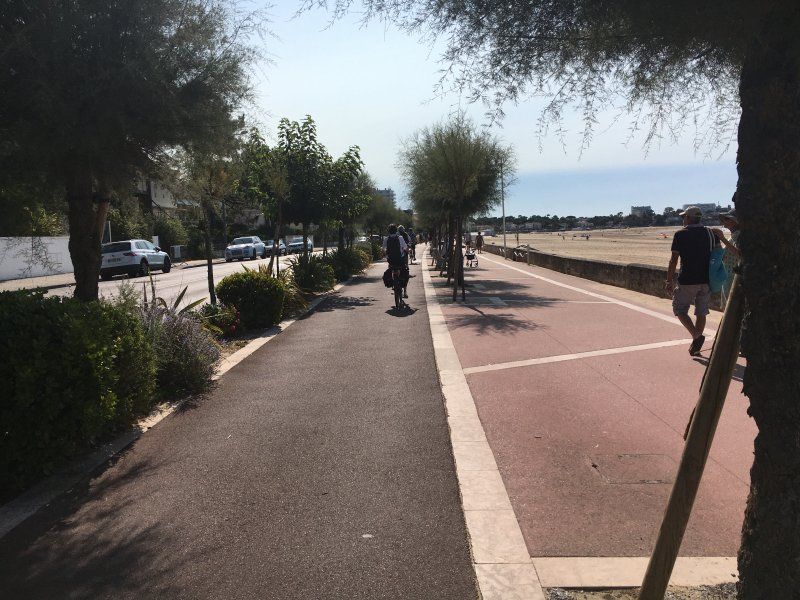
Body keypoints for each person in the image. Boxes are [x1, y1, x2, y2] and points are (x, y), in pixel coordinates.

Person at [665, 206, 716, 356]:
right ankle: (696, 347)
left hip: (687, 279)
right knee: (701, 312)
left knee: (679, 309)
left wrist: (669, 280)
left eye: (684, 217)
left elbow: (673, 260)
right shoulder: (709, 233)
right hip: (706, 279)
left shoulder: (680, 234)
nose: (683, 219)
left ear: (688, 218)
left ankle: (697, 336)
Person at [713, 209, 741, 306]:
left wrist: (722, 238)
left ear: (735, 221)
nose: (724, 221)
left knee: (730, 306)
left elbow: (739, 255)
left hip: (733, 276)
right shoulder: (733, 235)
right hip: (728, 275)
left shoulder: (739, 235)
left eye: (727, 219)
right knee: (727, 305)